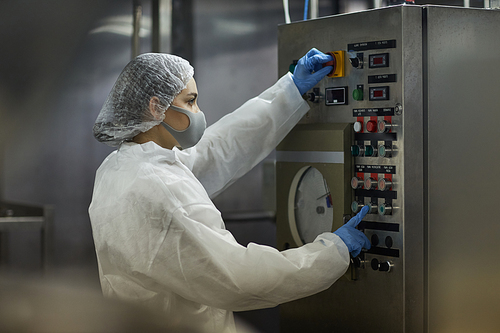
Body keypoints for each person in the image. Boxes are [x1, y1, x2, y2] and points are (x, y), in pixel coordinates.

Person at [89, 49, 371, 333]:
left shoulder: (119, 168)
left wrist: (289, 91)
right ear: (155, 107)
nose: (198, 112)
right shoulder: (161, 188)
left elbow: (219, 150)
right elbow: (239, 278)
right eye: (191, 101)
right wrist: (332, 252)